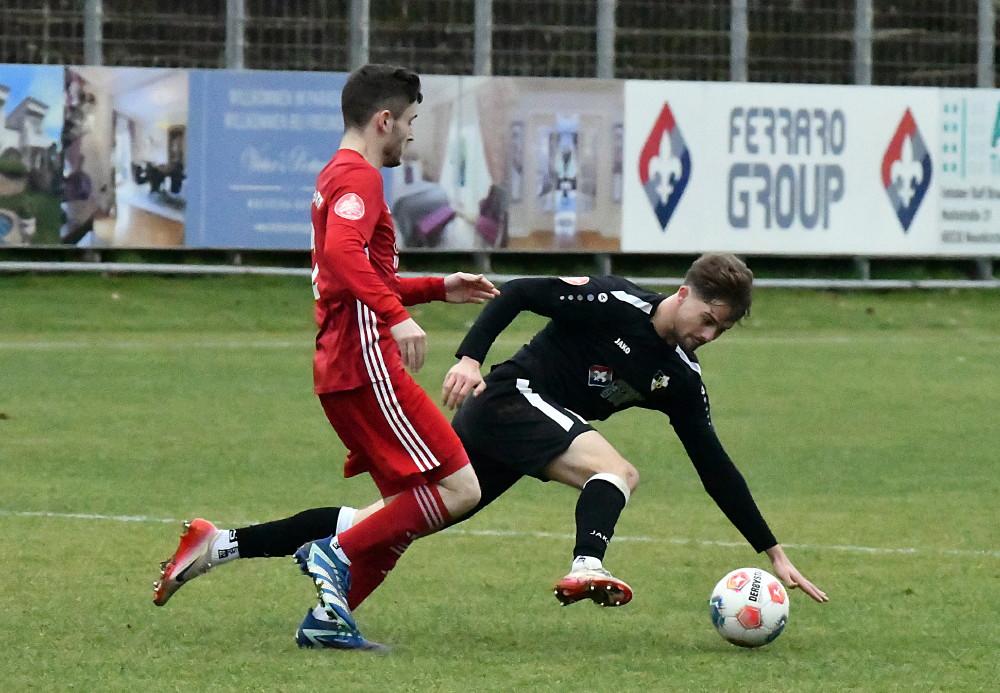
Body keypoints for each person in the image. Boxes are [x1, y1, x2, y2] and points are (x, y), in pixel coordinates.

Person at [152, 63, 498, 650]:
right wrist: (396, 317)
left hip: (345, 367)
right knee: (460, 488)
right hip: (367, 365)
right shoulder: (360, 177)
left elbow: (359, 272)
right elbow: (342, 254)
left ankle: (327, 620)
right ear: (384, 120)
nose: (412, 132)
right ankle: (333, 554)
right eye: (410, 120)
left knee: (400, 513)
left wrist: (437, 288)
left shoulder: (338, 174)